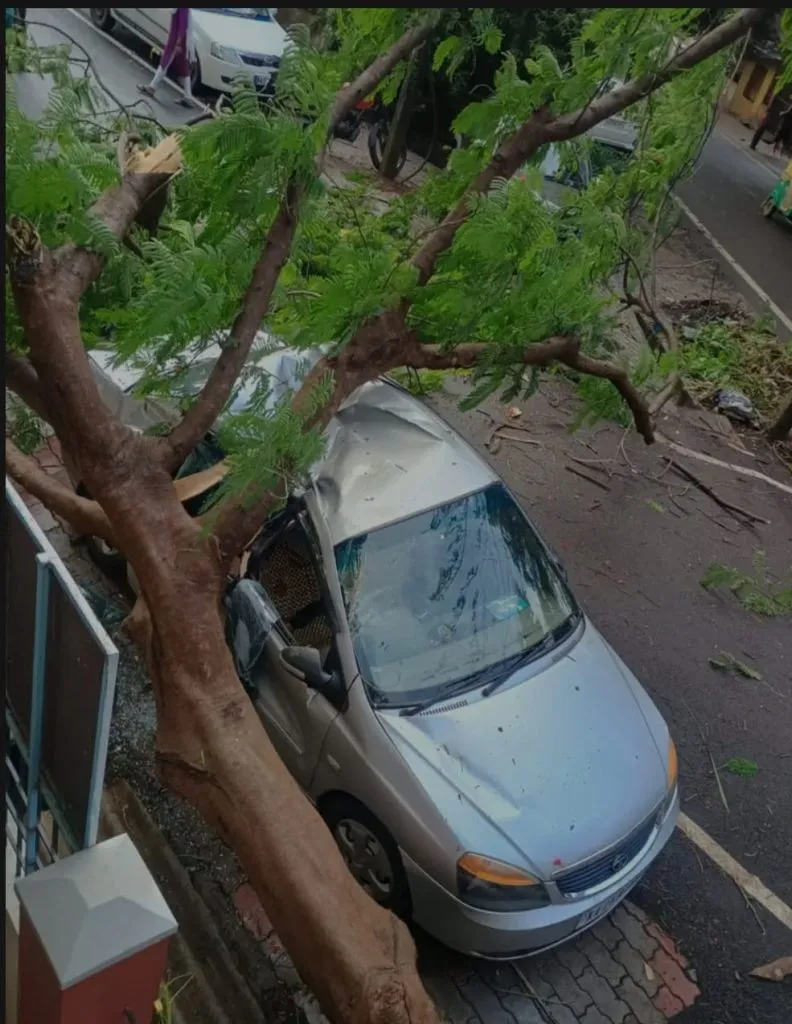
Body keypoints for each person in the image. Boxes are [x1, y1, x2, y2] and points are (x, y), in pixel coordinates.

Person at [137, 8, 193, 107]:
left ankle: (152, 87)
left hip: (176, 39)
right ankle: (188, 97)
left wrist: (179, 43)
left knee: (165, 62)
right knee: (183, 67)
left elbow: (183, 24)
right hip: (178, 38)